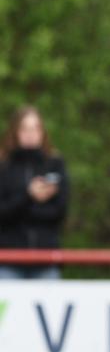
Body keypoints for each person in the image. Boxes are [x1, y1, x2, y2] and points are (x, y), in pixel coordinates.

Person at [0, 106, 68, 279]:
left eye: (35, 128)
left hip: (45, 261)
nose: (30, 134)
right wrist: (29, 196)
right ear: (15, 132)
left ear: (42, 132)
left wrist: (18, 210)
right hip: (9, 261)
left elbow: (59, 212)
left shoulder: (54, 164)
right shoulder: (4, 166)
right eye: (25, 128)